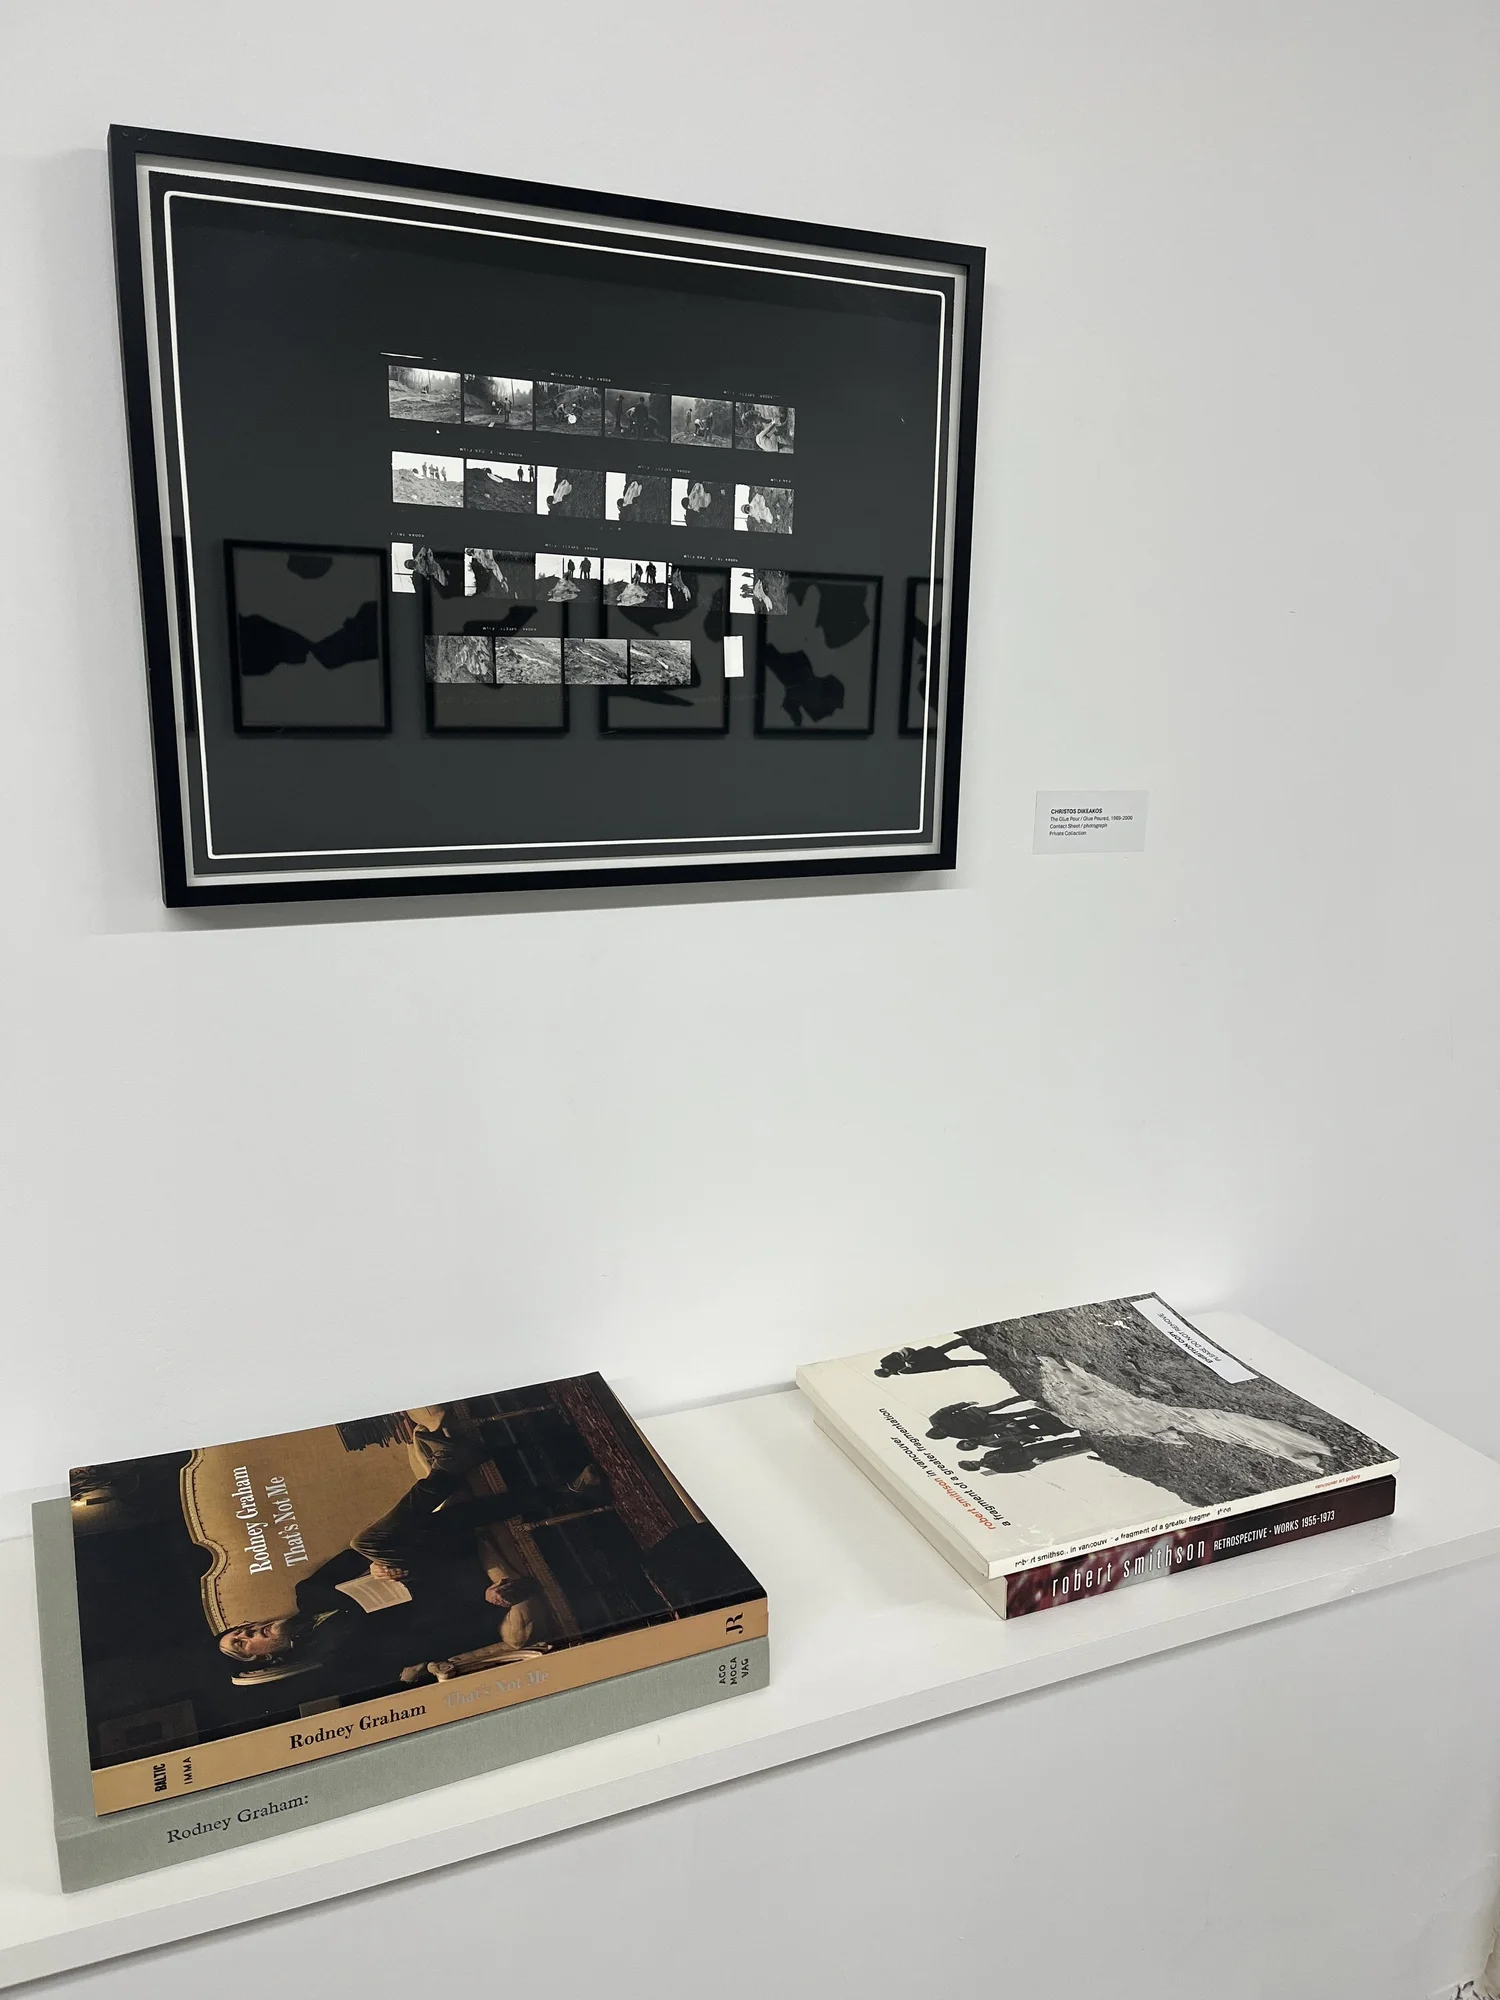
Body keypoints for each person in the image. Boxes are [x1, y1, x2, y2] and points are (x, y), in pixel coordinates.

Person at [873, 1337, 993, 1379]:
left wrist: (906, 1362)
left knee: (943, 1349)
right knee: (959, 1363)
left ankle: (963, 1341)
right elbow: (922, 1370)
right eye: (888, 1373)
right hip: (931, 1364)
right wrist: (939, 1367)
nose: (889, 1372)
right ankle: (986, 1362)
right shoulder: (902, 1372)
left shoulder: (885, 1361)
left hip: (922, 1356)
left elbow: (897, 1354)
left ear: (883, 1370)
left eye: (886, 1372)